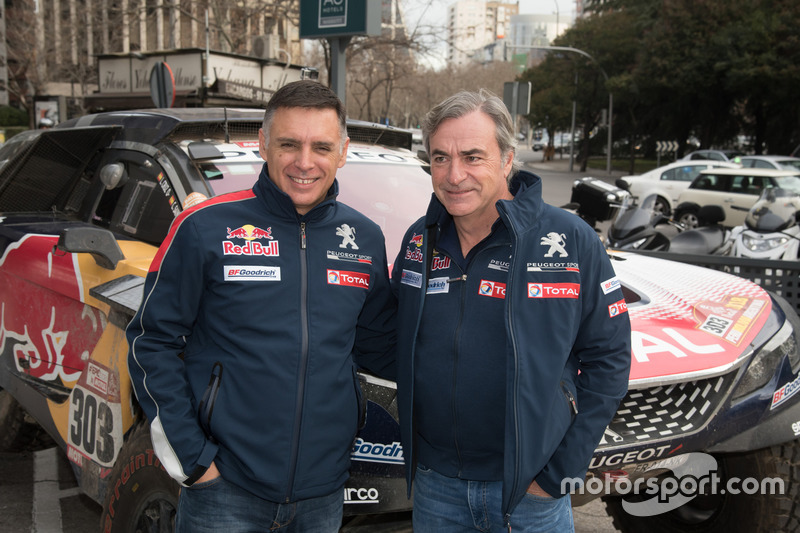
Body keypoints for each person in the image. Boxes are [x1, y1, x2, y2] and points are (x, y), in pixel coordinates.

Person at [127, 80, 396, 533]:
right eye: (289, 144)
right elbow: (150, 343)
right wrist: (193, 460)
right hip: (224, 489)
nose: (305, 162)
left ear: (343, 151)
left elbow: (384, 347)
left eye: (321, 146)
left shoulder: (365, 239)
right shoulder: (204, 228)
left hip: (324, 493)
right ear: (263, 144)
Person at [391, 90, 631, 532]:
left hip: (532, 492)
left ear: (507, 160)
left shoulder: (570, 240)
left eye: (472, 157)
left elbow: (610, 359)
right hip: (436, 487)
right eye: (440, 158)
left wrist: (561, 472)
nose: (454, 174)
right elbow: (387, 340)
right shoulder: (418, 242)